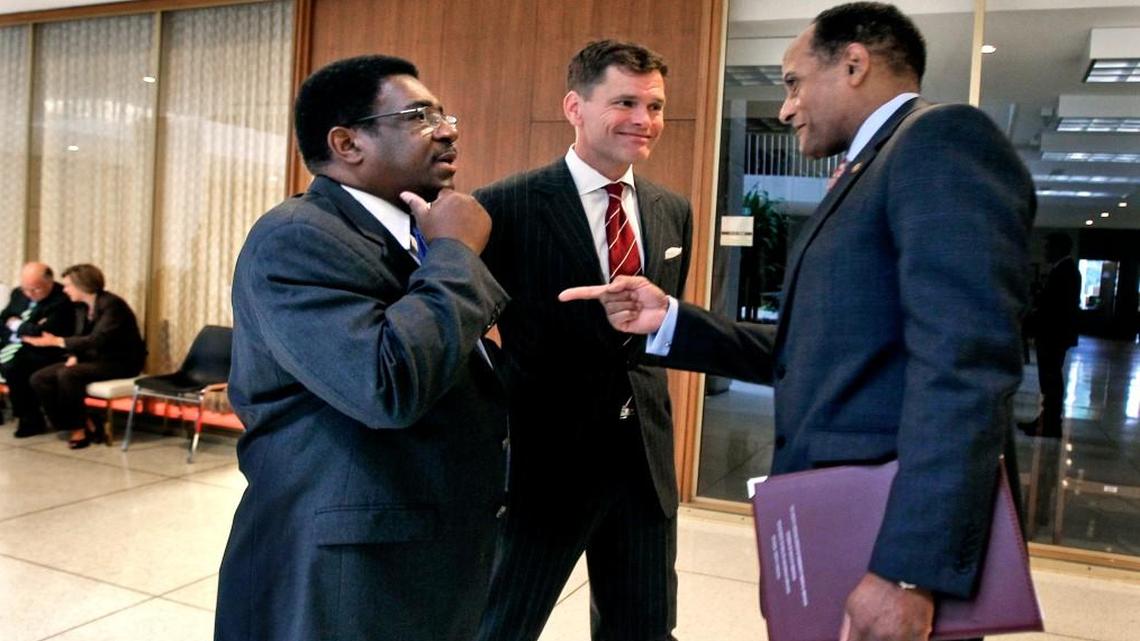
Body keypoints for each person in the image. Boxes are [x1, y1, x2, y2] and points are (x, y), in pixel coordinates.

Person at [561, 4, 1035, 641]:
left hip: (886, 541)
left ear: (855, 63)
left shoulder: (940, 141)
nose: (785, 108)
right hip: (840, 526)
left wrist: (909, 573)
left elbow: (965, 370)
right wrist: (669, 319)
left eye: (792, 82)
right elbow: (818, 350)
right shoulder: (870, 169)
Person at [214, 55, 509, 641]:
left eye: (443, 114)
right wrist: (456, 256)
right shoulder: (297, 235)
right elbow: (385, 386)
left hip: (422, 545)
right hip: (351, 566)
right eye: (419, 115)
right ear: (347, 143)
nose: (448, 129)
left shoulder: (411, 234)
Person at [474, 40, 692, 641]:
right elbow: (467, 329)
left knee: (644, 628)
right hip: (545, 463)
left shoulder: (672, 210)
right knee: (500, 625)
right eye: (625, 102)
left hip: (644, 465)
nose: (645, 120)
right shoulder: (505, 205)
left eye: (655, 105)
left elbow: (659, 332)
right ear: (575, 106)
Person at [25, 264, 146, 448]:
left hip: (120, 362)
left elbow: (98, 339)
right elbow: (80, 336)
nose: (64, 290)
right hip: (94, 359)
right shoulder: (81, 307)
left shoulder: (112, 305)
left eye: (68, 285)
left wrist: (57, 341)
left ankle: (79, 430)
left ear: (83, 285)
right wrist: (74, 355)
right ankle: (77, 422)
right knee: (40, 378)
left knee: (68, 374)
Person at [0, 262, 77, 437]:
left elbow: (42, 332)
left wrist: (15, 323)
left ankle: (29, 418)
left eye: (35, 290)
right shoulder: (18, 293)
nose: (29, 294)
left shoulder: (62, 298)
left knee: (13, 366)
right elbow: (3, 319)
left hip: (47, 351)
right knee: (12, 361)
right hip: (14, 344)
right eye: (25, 289)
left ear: (49, 283)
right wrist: (21, 325)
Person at [1018, 232, 1080, 439]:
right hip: (1053, 334)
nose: (1045, 252)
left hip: (1053, 335)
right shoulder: (1063, 270)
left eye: (1048, 248)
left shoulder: (1064, 271)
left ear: (1059, 248)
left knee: (1051, 378)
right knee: (1050, 378)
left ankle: (1050, 423)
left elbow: (1054, 308)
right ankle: (1048, 421)